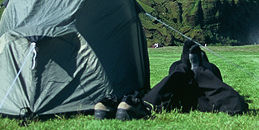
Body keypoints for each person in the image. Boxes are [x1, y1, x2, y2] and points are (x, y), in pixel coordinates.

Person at [94, 40, 248, 120]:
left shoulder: (209, 68)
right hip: (198, 98)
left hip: (185, 96)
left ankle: (188, 70)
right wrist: (201, 70)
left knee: (177, 71)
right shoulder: (212, 70)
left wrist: (191, 69)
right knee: (236, 105)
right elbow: (230, 99)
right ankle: (196, 71)